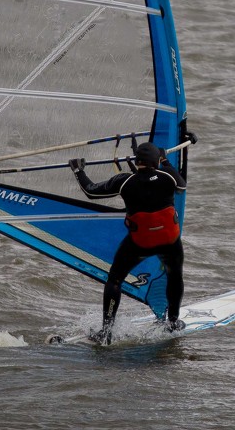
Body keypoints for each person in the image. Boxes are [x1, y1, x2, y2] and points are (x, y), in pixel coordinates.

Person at [68, 141, 187, 345]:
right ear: (156, 161)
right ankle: (173, 323)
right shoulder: (168, 177)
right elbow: (182, 185)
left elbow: (91, 191)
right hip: (169, 242)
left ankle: (106, 331)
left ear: (136, 161)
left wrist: (78, 169)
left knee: (114, 280)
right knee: (174, 276)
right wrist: (165, 159)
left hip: (140, 243)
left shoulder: (125, 182)